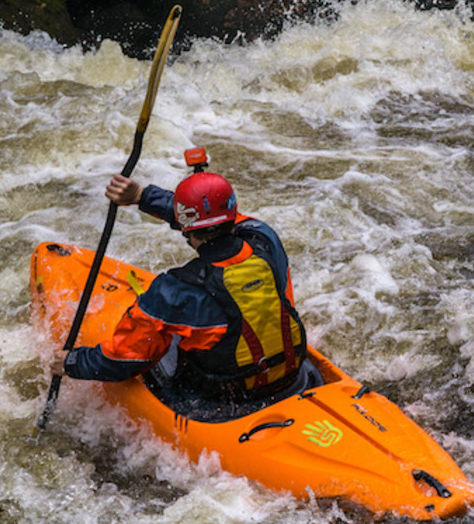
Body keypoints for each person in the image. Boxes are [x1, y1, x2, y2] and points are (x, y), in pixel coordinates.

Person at [50, 155, 313, 410]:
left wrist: (74, 362)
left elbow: (125, 360)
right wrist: (143, 197)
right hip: (290, 378)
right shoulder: (264, 239)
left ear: (186, 228)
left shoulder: (175, 291)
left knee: (163, 342)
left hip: (224, 398)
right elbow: (221, 217)